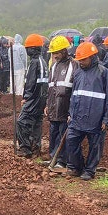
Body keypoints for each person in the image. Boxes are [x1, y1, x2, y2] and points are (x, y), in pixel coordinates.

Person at [66, 42, 108, 181]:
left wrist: (107, 119)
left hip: (96, 117)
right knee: (71, 139)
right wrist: (71, 113)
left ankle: (89, 170)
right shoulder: (78, 72)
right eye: (79, 60)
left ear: (92, 57)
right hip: (78, 116)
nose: (81, 62)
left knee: (95, 145)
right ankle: (77, 167)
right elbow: (74, 94)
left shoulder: (104, 73)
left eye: (84, 59)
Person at [44, 36, 77, 168]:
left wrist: (72, 110)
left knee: (64, 134)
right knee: (53, 133)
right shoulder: (54, 66)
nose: (54, 55)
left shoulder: (74, 65)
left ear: (64, 51)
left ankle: (62, 161)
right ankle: (53, 157)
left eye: (56, 53)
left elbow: (73, 89)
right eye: (53, 53)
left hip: (65, 107)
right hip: (53, 106)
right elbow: (50, 87)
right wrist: (47, 104)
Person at [16, 34, 49, 158]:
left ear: (32, 49)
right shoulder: (43, 61)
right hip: (41, 98)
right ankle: (36, 147)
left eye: (28, 48)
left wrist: (26, 98)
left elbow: (30, 83)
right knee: (36, 123)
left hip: (34, 98)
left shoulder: (35, 62)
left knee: (21, 121)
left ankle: (25, 148)